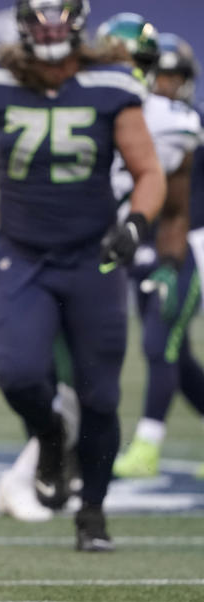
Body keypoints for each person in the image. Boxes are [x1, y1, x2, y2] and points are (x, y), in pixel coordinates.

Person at [0, 0, 166, 551]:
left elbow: (147, 170)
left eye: (58, 19)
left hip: (94, 256)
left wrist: (135, 224)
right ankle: (47, 435)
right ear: (22, 27)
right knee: (17, 370)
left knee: (101, 397)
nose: (50, 30)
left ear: (78, 24)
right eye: (40, 20)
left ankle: (92, 514)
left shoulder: (112, 84)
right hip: (26, 254)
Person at [113, 30, 204, 479]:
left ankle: (148, 445)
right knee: (177, 356)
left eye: (174, 76)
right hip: (148, 242)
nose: (165, 84)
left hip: (192, 246)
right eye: (159, 74)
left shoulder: (188, 124)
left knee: (158, 340)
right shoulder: (132, 119)